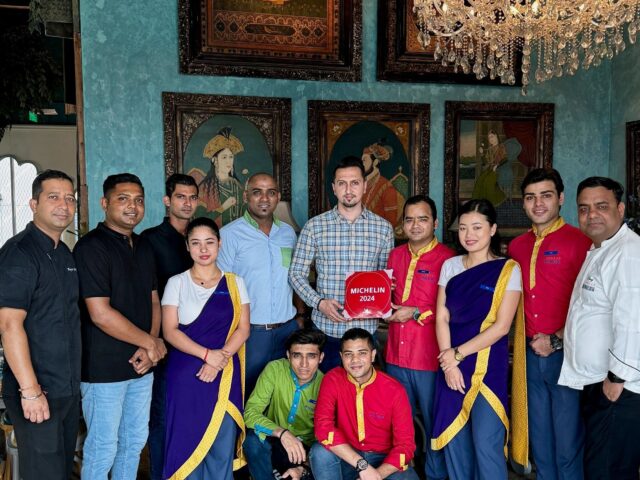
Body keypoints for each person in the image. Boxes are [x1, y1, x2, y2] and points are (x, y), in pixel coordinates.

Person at [74, 173, 167, 479]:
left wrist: (149, 346)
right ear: (105, 203)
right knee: (103, 447)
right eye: (123, 199)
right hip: (104, 370)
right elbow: (100, 314)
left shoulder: (144, 246)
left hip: (141, 367)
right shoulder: (91, 247)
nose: (132, 206)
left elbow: (154, 300)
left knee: (134, 443)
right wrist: (151, 343)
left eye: (139, 200)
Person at [431, 199, 527, 480]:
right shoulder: (450, 266)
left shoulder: (508, 270)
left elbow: (502, 327)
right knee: (455, 440)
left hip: (487, 366)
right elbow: (441, 316)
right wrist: (449, 362)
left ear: (492, 229)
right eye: (463, 228)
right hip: (449, 363)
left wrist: (457, 355)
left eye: (476, 227)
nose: (468, 234)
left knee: (486, 443)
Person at [508, 168, 590, 480]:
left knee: (567, 442)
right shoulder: (517, 246)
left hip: (567, 354)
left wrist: (555, 339)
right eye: (530, 197)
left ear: (561, 198)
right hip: (529, 356)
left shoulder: (580, 242)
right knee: (539, 439)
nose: (538, 203)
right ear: (523, 203)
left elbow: (591, 305)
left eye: (546, 195)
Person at [0, 170, 81, 480]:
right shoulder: (19, 253)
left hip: (66, 389)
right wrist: (30, 391)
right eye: (54, 197)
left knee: (60, 471)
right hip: (37, 390)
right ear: (34, 204)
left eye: (70, 198)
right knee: (43, 474)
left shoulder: (64, 254)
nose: (64, 205)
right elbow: (9, 325)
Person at [559, 177, 640, 479]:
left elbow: (632, 320)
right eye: (584, 208)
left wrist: (616, 378)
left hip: (620, 387)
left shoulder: (628, 252)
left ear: (620, 209)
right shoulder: (602, 249)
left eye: (601, 206)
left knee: (607, 470)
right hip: (600, 382)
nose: (591, 214)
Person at [162, 216, 250, 480]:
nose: (203, 249)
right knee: (186, 444)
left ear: (219, 244)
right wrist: (207, 356)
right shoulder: (176, 282)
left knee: (221, 445)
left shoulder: (235, 282)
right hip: (186, 376)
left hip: (224, 372)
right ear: (187, 246)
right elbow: (170, 331)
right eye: (196, 243)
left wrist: (219, 359)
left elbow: (243, 329)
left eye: (209, 242)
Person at [289, 156, 394, 371]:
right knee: (326, 388)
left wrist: (386, 291)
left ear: (364, 186)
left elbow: (385, 277)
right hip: (326, 330)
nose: (348, 190)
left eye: (354, 183)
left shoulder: (383, 229)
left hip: (365, 332)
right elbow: (296, 274)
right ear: (334, 188)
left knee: (362, 390)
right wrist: (319, 303)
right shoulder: (315, 227)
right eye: (342, 183)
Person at [385, 194, 454, 480]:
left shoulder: (448, 259)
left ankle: (436, 475)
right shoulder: (395, 255)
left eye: (422, 219)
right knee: (399, 422)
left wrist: (415, 312)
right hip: (395, 356)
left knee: (434, 420)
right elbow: (386, 297)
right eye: (409, 219)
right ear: (402, 224)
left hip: (429, 358)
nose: (415, 225)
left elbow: (452, 308)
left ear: (435, 223)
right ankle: (404, 473)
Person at [218, 173, 302, 394]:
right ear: (246, 196)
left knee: (283, 393)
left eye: (271, 193)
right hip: (250, 334)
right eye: (257, 192)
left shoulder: (288, 234)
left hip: (287, 331)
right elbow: (221, 288)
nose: (264, 198)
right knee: (247, 392)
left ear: (278, 197)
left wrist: (300, 318)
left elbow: (296, 278)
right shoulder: (229, 235)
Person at [140, 173, 199, 480]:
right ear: (167, 200)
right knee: (162, 415)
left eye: (192, 197)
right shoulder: (149, 240)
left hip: (199, 341)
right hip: (164, 343)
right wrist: (151, 340)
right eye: (180, 197)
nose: (187, 203)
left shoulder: (201, 238)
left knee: (193, 413)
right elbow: (146, 296)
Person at [310, 328, 418, 480]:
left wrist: (375, 475)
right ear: (341, 357)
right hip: (347, 454)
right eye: (348, 354)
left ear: (372, 355)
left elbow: (405, 446)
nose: (355, 360)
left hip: (383, 459)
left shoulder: (395, 390)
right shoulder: (332, 379)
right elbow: (323, 427)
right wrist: (362, 465)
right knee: (320, 453)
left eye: (362, 353)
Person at [243, 329, 326, 480]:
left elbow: (329, 437)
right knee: (252, 441)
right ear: (288, 355)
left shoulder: (326, 385)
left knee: (321, 457)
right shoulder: (274, 369)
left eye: (311, 356)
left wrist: (304, 467)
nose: (304, 364)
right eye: (297, 356)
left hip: (305, 452)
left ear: (321, 358)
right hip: (274, 437)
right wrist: (283, 433)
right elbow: (250, 413)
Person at [189, 127, 244, 226]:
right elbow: (200, 220)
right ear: (214, 160)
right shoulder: (204, 188)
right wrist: (223, 208)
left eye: (231, 157)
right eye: (224, 157)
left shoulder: (237, 186)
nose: (228, 161)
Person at [471, 130, 522, 206]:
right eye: (489, 138)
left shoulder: (501, 147)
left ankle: (491, 202)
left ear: (496, 137)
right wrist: (482, 154)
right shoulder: (489, 149)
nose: (490, 139)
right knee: (480, 180)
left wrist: (497, 165)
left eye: (492, 136)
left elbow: (505, 159)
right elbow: (485, 162)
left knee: (488, 181)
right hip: (490, 169)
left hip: (500, 169)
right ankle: (478, 201)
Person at [361, 141, 405, 228]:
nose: (361, 164)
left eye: (364, 160)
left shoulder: (386, 187)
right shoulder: (360, 185)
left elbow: (391, 224)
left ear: (375, 162)